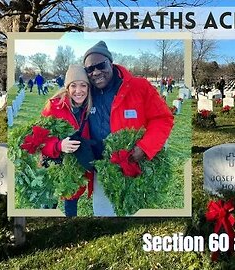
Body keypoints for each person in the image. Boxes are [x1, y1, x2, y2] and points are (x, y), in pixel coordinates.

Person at [83, 40, 174, 216]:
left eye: (100, 65)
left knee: (130, 213)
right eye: (89, 69)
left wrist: (145, 148)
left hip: (133, 165)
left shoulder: (139, 86)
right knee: (103, 213)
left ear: (111, 62)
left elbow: (163, 118)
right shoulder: (86, 92)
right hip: (101, 167)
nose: (96, 72)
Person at [41, 65, 94, 216]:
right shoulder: (54, 106)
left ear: (88, 88)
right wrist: (59, 145)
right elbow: (39, 141)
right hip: (53, 166)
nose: (79, 90)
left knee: (71, 204)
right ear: (67, 87)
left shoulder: (90, 108)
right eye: (74, 86)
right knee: (49, 203)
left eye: (83, 85)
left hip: (75, 170)